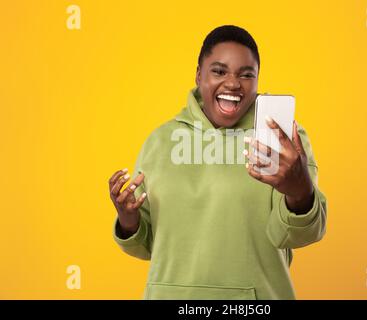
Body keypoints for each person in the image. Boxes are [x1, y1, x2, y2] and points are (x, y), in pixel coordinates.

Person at [108, 25, 327, 300]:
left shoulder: (282, 141)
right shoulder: (160, 141)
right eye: (220, 71)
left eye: (246, 75)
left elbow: (295, 236)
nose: (233, 83)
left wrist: (300, 192)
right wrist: (129, 221)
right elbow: (150, 247)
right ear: (199, 75)